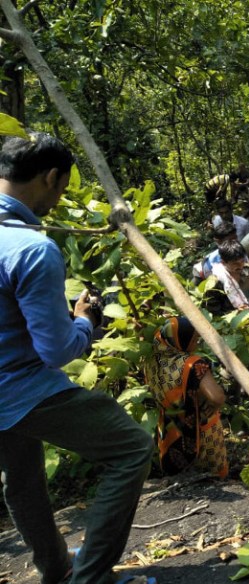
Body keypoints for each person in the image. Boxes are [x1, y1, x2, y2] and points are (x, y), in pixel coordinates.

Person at [0, 134, 153, 584]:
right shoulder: (31, 248)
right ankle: (89, 579)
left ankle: (57, 571)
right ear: (51, 177)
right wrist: (84, 322)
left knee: (22, 478)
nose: (59, 198)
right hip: (19, 386)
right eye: (62, 188)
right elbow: (57, 350)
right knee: (131, 449)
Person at [143, 317, 228, 479]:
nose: (197, 342)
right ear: (181, 339)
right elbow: (217, 397)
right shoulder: (192, 364)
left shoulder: (152, 360)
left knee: (179, 476)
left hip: (169, 427)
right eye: (195, 338)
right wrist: (218, 402)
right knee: (211, 478)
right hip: (200, 426)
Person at [204, 240, 249, 315]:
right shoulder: (214, 283)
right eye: (234, 264)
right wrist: (235, 313)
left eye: (242, 261)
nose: (240, 266)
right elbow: (213, 312)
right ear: (223, 262)